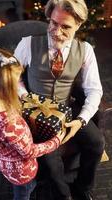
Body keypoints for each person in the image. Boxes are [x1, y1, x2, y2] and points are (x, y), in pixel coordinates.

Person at [14, 0, 105, 200]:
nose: (56, 31)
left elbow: (94, 90)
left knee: (97, 143)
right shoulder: (27, 44)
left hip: (68, 108)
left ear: (79, 25)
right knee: (49, 159)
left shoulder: (85, 50)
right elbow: (13, 78)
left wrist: (80, 120)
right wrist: (26, 97)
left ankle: (83, 187)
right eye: (54, 23)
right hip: (37, 113)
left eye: (65, 27)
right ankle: (64, 195)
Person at [0, 46, 67, 200]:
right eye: (15, 82)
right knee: (23, 193)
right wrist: (56, 141)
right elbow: (30, 152)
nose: (17, 85)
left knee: (25, 188)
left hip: (9, 166)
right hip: (22, 173)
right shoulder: (8, 124)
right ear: (3, 87)